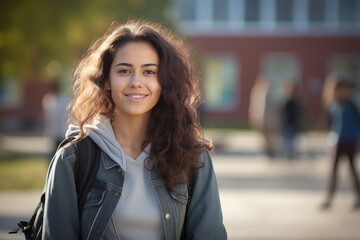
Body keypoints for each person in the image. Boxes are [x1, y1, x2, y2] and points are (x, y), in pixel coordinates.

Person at [42, 20, 227, 239]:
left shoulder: (193, 158)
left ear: (164, 82)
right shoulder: (72, 159)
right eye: (124, 70)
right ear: (107, 80)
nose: (136, 82)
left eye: (149, 72)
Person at [322, 77, 360, 210]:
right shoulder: (334, 105)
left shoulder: (352, 104)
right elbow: (329, 123)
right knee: (333, 171)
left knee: (352, 169)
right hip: (338, 141)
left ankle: (358, 197)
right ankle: (329, 198)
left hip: (350, 141)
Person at [249, 74, 280, 158]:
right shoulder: (257, 91)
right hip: (262, 119)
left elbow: (275, 107)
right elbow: (255, 106)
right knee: (265, 137)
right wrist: (254, 115)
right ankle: (267, 150)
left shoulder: (271, 92)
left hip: (270, 119)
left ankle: (271, 150)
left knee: (271, 137)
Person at [42, 81, 70, 158]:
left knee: (62, 152)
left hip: (63, 132)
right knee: (53, 153)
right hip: (53, 132)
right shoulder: (48, 100)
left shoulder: (64, 100)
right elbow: (47, 117)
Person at [280, 81, 302, 160]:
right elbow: (282, 114)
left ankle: (291, 155)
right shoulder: (286, 102)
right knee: (287, 142)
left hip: (294, 124)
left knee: (292, 142)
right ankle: (288, 155)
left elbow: (300, 114)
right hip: (287, 124)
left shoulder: (297, 102)